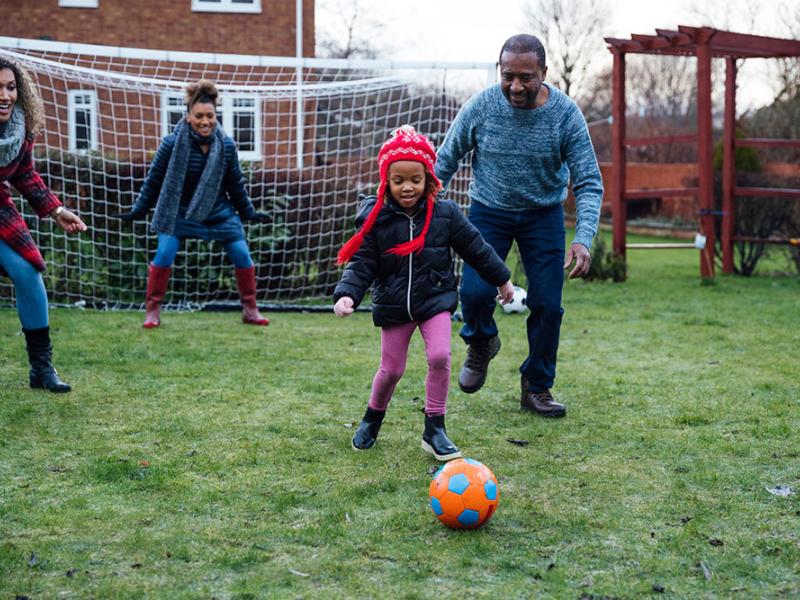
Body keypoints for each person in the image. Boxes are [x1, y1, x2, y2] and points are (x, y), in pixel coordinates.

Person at [435, 34, 603, 418]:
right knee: (475, 294)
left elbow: (589, 181)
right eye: (508, 75)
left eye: (526, 77)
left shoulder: (565, 115)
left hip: (542, 216)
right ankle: (481, 343)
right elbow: (444, 160)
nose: (515, 86)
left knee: (547, 304)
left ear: (544, 73)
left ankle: (537, 386)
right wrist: (419, 204)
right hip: (488, 211)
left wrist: (584, 238)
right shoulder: (481, 107)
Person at [333, 125, 514, 461]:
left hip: (435, 301)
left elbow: (477, 248)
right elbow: (361, 263)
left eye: (415, 179)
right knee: (392, 370)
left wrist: (502, 279)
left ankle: (435, 428)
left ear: (428, 179)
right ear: (386, 180)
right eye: (398, 179)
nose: (407, 187)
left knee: (440, 357)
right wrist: (347, 294)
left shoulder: (445, 215)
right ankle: (373, 417)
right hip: (394, 304)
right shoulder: (378, 219)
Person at [115, 80, 270, 328]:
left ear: (216, 116)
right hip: (180, 212)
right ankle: (152, 311)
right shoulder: (171, 144)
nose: (205, 121)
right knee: (164, 254)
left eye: (210, 116)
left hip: (219, 212)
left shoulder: (227, 146)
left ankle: (250, 309)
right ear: (188, 117)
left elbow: (235, 185)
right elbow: (154, 181)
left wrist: (249, 213)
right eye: (199, 116)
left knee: (242, 254)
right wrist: (138, 210)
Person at [0, 56, 87, 393]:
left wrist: (56, 210)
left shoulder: (20, 130)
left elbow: (25, 174)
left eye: (11, 88)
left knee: (28, 272)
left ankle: (41, 369)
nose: (5, 95)